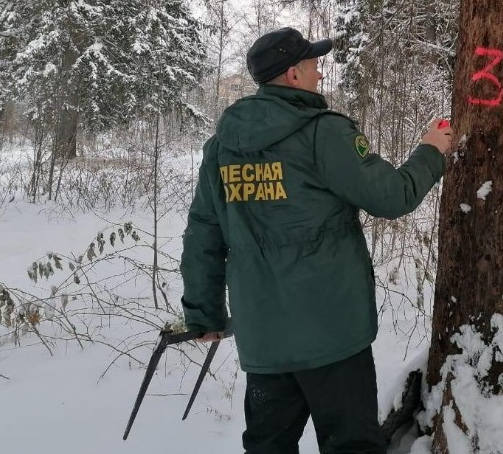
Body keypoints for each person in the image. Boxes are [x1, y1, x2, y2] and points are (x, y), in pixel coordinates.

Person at [180, 27, 452, 454]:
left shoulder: (221, 148)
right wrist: (431, 151)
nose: (319, 75)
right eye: (312, 65)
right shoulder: (322, 133)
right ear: (292, 74)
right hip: (333, 334)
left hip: (264, 336)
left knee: (269, 446)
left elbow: (203, 235)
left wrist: (204, 314)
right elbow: (392, 196)